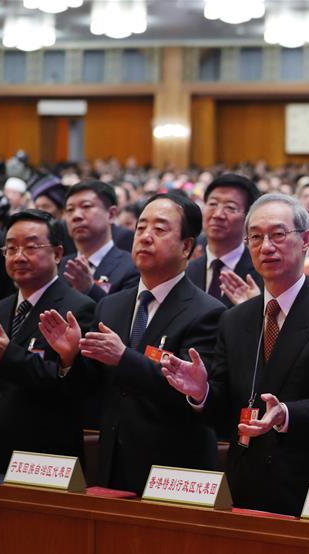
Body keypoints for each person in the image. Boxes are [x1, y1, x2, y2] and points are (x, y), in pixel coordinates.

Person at [161, 194, 309, 515]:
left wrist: (285, 413)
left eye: (278, 235)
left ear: (306, 240)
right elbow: (224, 406)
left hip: (307, 486)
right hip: (245, 484)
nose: (266, 246)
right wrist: (201, 392)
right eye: (255, 236)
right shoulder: (235, 318)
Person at [37, 191, 226, 493]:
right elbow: (93, 387)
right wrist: (70, 357)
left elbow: (190, 394)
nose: (146, 237)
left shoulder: (208, 312)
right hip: (114, 463)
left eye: (160, 229)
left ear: (187, 246)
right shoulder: (111, 306)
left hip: (174, 470)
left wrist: (123, 357)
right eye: (141, 228)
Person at [0, 210, 95, 473]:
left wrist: (9, 356)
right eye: (11, 248)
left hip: (44, 459)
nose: (19, 256)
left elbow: (76, 387)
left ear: (58, 254)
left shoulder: (79, 309)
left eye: (31, 246)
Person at [185, 174, 263, 308]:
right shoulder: (186, 271)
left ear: (249, 219)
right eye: (212, 204)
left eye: (230, 207)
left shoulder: (263, 272)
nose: (217, 214)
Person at [60, 181, 139, 303]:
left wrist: (90, 289)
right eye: (70, 210)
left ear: (111, 214)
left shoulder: (131, 267)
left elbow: (122, 317)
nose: (76, 216)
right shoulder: (60, 266)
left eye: (86, 206)